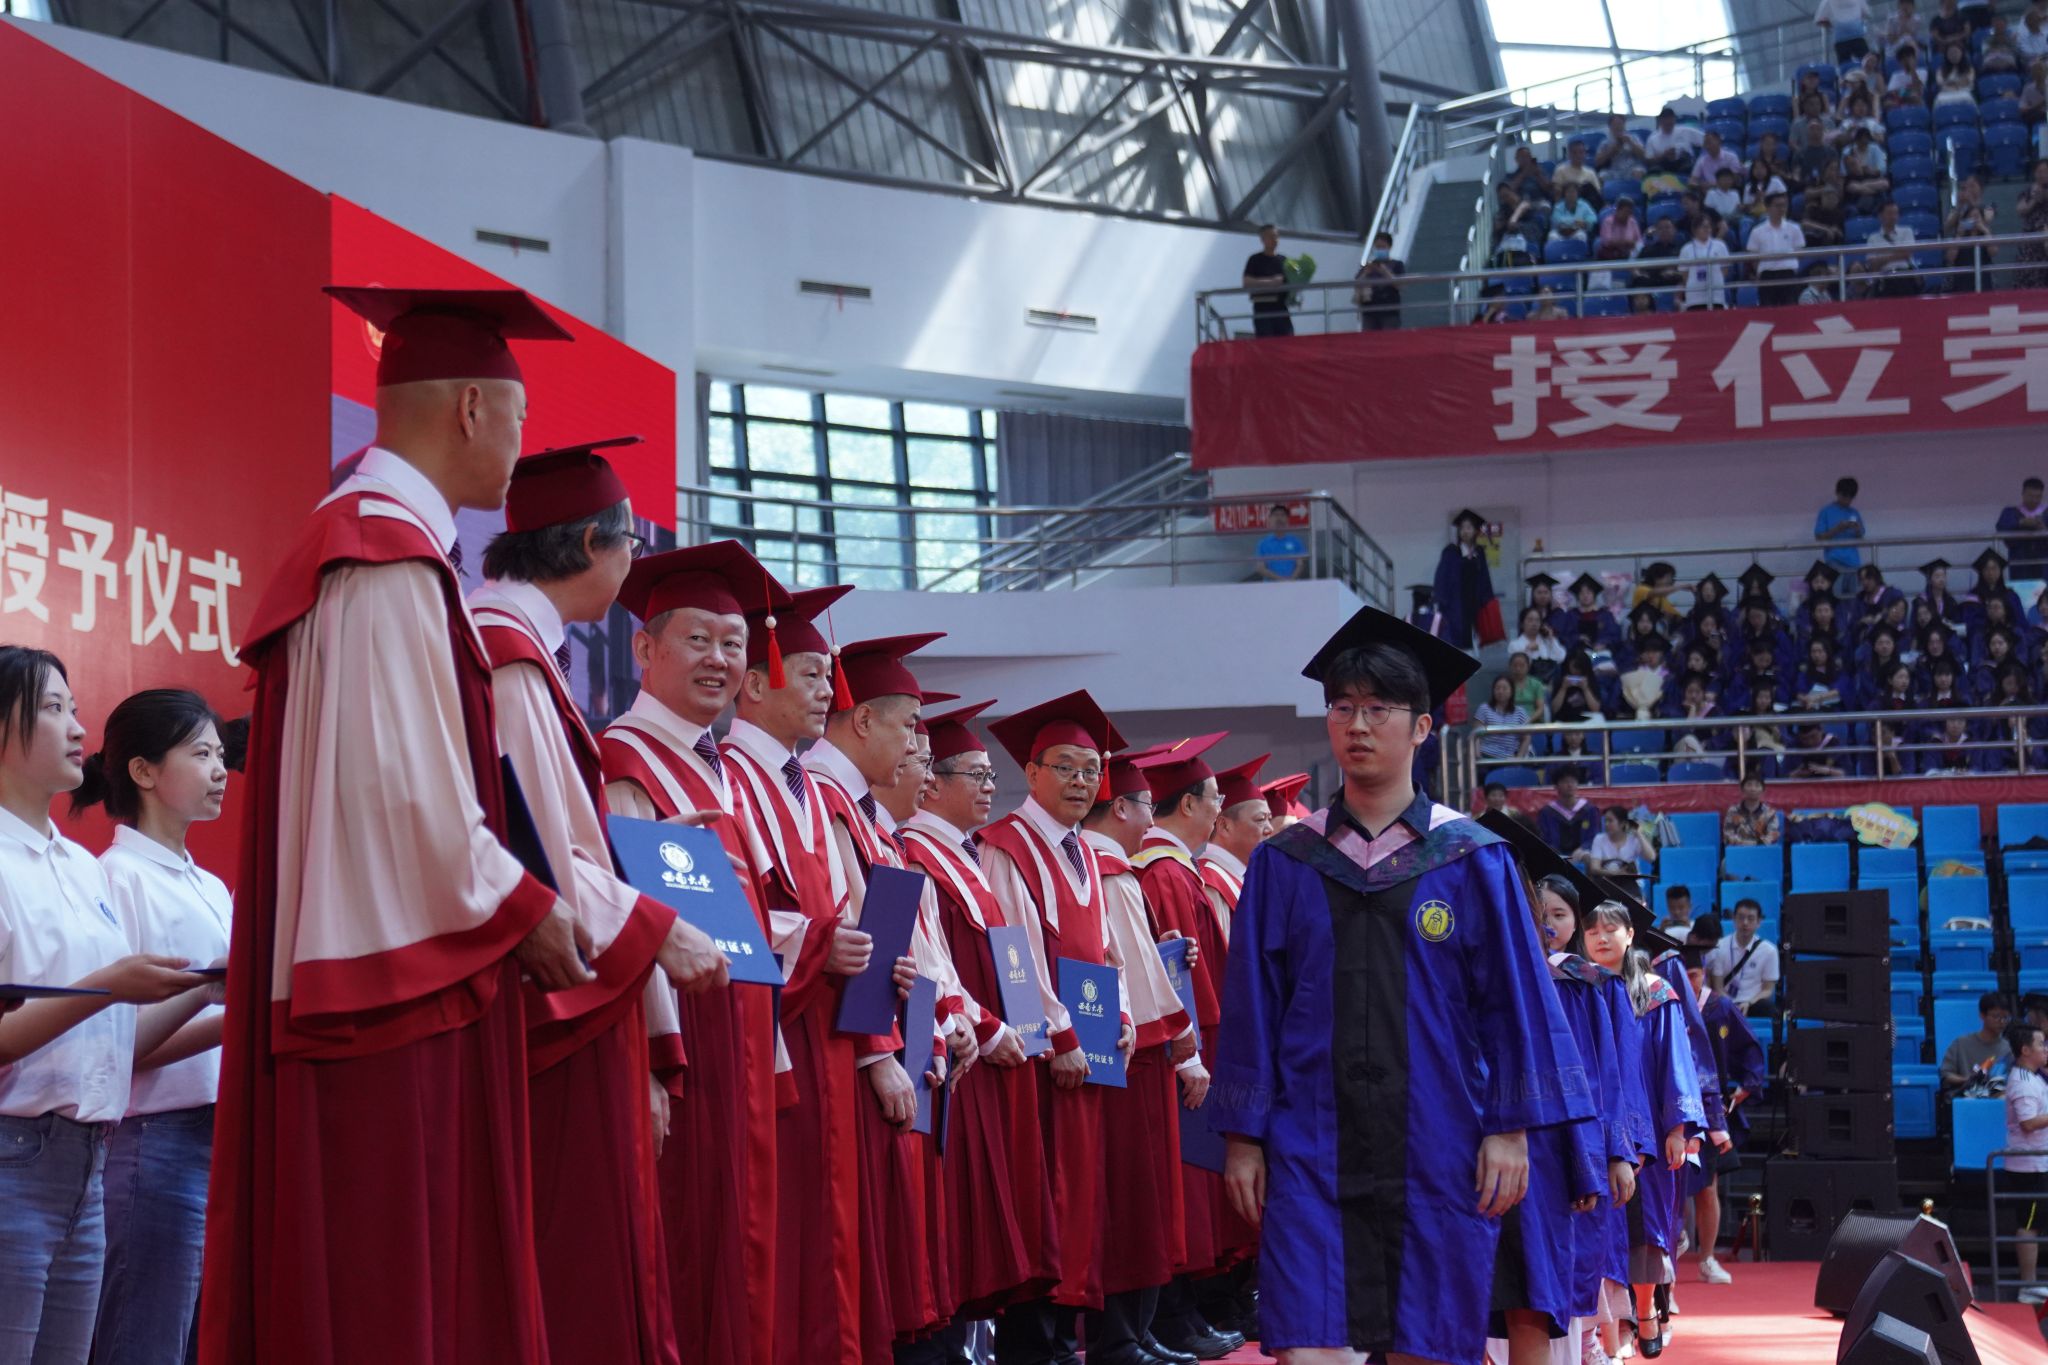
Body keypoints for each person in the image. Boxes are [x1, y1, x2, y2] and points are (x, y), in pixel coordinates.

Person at [203, 287, 592, 1365]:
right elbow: (403, 787)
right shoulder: (382, 554)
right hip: (383, 989)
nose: (519, 447)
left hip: (383, 967)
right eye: (518, 418)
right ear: (471, 408)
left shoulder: (382, 547)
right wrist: (527, 909)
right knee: (390, 1294)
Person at [1210, 605, 1591, 1365]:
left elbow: (1514, 1004)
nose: (1357, 724)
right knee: (1307, 1342)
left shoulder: (1470, 858)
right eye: (1342, 707)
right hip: (1310, 1142)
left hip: (1438, 1140)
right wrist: (1244, 1139)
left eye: (1378, 708)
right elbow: (1253, 1007)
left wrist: (1510, 1128)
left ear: (1421, 727)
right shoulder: (1286, 862)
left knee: (1430, 1341)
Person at [472, 447, 742, 1365]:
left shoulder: (528, 657)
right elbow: (536, 856)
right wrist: (657, 925)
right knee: (574, 1266)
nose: (633, 559)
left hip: (583, 993)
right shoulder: (510, 661)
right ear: (594, 543)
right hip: (552, 1009)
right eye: (630, 541)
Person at [597, 542, 784, 1365]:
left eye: (733, 643)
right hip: (682, 1045)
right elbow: (623, 919)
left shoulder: (716, 766)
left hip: (737, 1041)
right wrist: (654, 1059)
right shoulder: (623, 760)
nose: (720, 659)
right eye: (698, 638)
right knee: (680, 1255)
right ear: (645, 646)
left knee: (736, 1258)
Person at [0, 652, 216, 1365]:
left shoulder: (81, 867)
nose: (76, 728)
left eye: (74, 709)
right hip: (15, 1155)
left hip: (89, 1165)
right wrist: (107, 987)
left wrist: (207, 991)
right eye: (52, 708)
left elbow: (122, 1043)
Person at [716, 583, 870, 1365]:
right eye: (810, 674)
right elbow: (727, 902)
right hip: (772, 1028)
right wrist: (816, 943)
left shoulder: (805, 783)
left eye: (827, 676)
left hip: (828, 1026)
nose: (828, 692)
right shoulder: (727, 774)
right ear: (754, 681)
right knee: (779, 1222)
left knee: (828, 1218)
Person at [799, 633, 957, 1364]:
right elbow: (850, 932)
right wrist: (880, 1052)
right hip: (847, 1039)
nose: (915, 746)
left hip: (893, 1035)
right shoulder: (823, 796)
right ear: (862, 720)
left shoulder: (861, 810)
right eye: (908, 727)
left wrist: (935, 1025)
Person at [74, 691, 237, 1365]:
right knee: (144, 1344)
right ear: (143, 771)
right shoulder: (116, 879)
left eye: (221, 754)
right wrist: (230, 1008)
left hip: (220, 1136)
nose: (220, 770)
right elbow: (122, 1047)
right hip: (155, 1140)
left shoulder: (213, 886)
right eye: (200, 753)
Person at [980, 692, 1138, 1365]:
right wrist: (1060, 1037)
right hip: (1043, 1057)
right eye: (1066, 767)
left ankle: (1062, 1340)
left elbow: (1104, 950)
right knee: (1042, 1197)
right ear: (1032, 771)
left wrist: (1122, 1014)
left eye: (1091, 770)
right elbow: (1012, 953)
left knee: (1077, 1197)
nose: (1081, 781)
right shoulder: (1007, 846)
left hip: (1088, 1051)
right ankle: (1032, 1345)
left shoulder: (1083, 850)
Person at [899, 701, 1057, 1325]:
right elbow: (937, 962)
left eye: (992, 775)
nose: (991, 786)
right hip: (959, 1046)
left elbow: (1011, 953)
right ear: (933, 783)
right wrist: (988, 1028)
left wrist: (1029, 1027)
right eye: (977, 775)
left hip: (998, 1044)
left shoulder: (966, 854)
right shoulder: (917, 853)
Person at [1081, 746, 1205, 1365]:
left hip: (1131, 1045)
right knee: (1132, 1195)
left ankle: (1138, 1330)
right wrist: (1185, 1040)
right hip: (1131, 1051)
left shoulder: (1109, 867)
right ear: (1122, 808)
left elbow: (1136, 959)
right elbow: (1125, 968)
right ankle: (1122, 1336)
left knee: (1143, 1197)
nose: (1152, 821)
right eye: (1146, 807)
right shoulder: (1107, 869)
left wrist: (1167, 953)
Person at [1132, 736, 1249, 1358]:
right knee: (1182, 1190)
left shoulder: (1176, 870)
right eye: (1214, 798)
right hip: (1185, 1049)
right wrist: (1192, 1050)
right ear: (1188, 805)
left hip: (1198, 1043)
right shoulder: (1166, 872)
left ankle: (1191, 1312)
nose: (1219, 808)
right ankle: (1177, 1316)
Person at [1581, 901, 1700, 1360]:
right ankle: (1611, 1326)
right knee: (1601, 1226)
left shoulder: (1654, 993)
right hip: (1594, 1128)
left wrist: (1677, 1129)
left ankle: (1646, 1308)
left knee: (1643, 1227)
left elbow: (1675, 1061)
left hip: (1645, 1128)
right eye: (1593, 930)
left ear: (1630, 935)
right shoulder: (1576, 986)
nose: (1601, 937)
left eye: (1611, 929)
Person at [1683, 947, 1764, 1287]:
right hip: (1671, 1106)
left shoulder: (1720, 1007)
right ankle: (1668, 1256)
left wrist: (1747, 1085)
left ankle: (1707, 1258)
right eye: (1682, 976)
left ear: (1703, 974)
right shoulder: (1662, 1004)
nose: (1688, 982)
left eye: (1693, 975)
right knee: (1670, 1188)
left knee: (1707, 1186)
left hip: (1709, 1110)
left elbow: (1749, 1047)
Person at [2003, 1021, 2048, 1299]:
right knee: (2029, 1225)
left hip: (2038, 1163)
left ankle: (2030, 1284)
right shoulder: (2022, 1082)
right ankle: (2027, 1287)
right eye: (2041, 1044)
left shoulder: (2034, 1076)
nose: (2046, 1049)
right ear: (2025, 1050)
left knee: (2035, 1223)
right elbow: (2028, 1123)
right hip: (2029, 1167)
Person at [1432, 508, 1503, 651]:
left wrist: (1487, 601)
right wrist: (1442, 601)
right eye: (1462, 528)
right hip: (1455, 603)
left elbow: (1485, 579)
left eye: (1469, 527)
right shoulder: (1450, 552)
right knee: (1454, 638)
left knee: (1473, 638)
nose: (1465, 531)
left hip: (1473, 603)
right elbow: (1441, 578)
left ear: (1475, 531)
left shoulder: (1479, 552)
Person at [1704, 899, 1780, 1017]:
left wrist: (1749, 1002)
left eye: (1750, 918)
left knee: (1769, 1008)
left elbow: (1767, 990)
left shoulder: (1769, 951)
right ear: (1734, 919)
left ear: (1758, 922)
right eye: (1741, 918)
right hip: (1726, 1002)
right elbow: (1718, 988)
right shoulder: (1720, 947)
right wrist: (1731, 1005)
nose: (1745, 923)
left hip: (1753, 1003)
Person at [1940, 992, 2014, 1095]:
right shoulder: (1961, 1044)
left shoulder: (2008, 1049)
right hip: (1966, 1096)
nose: (2001, 1022)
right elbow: (1946, 1074)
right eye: (1996, 1017)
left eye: (2005, 1018)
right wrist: (1967, 1080)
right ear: (1982, 1016)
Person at [1749, 193, 1807, 305]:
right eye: (1777, 205)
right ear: (1768, 208)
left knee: (1790, 310)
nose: (1781, 209)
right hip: (1767, 275)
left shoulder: (1794, 228)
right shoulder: (1757, 231)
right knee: (1768, 311)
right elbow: (1753, 257)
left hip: (1788, 274)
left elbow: (1800, 253)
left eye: (1784, 205)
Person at [1242, 224, 1293, 338]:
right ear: (1262, 239)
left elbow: (1292, 280)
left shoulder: (1284, 260)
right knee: (1266, 342)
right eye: (1270, 236)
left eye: (1276, 236)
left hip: (1281, 308)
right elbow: (1247, 282)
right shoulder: (1255, 259)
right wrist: (1271, 282)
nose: (1275, 239)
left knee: (1287, 341)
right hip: (1262, 308)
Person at [1540, 767, 1601, 863]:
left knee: (1589, 859)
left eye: (1573, 781)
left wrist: (1582, 848)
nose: (1570, 785)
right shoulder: (1547, 812)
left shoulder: (1589, 810)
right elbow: (1545, 839)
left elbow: (1594, 836)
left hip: (1582, 852)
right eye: (1565, 781)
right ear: (1556, 786)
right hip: (1556, 855)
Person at [1862, 201, 1920, 297]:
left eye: (1895, 213)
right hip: (1885, 277)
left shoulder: (1907, 231)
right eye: (1889, 213)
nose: (1893, 217)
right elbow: (1872, 263)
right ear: (1880, 216)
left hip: (1904, 276)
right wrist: (1898, 254)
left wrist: (1883, 257)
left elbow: (1907, 253)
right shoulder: (1873, 238)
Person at [1475, 675, 1533, 762]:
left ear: (1511, 691)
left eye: (1504, 688)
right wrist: (1478, 757)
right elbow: (1476, 735)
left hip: (1508, 759)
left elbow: (1526, 738)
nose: (1500, 691)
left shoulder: (1520, 712)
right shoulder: (1484, 708)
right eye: (1497, 688)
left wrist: (1519, 758)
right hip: (1486, 756)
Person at [1999, 477, 2048, 580]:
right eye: (2030, 496)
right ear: (2023, 494)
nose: (2034, 500)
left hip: (2044, 564)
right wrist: (2021, 522)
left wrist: (2044, 530)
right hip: (2020, 564)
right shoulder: (2011, 512)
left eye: (2038, 497)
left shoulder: (2046, 513)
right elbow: (2002, 527)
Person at [1677, 213, 1730, 310]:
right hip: (1694, 296)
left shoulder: (1720, 245)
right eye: (1703, 227)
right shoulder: (1686, 249)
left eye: (1708, 226)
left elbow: (1725, 269)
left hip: (1716, 295)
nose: (1707, 229)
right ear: (1695, 230)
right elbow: (1684, 274)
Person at [1354, 232, 1404, 331]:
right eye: (1377, 247)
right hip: (1369, 311)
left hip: (1389, 312)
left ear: (1389, 247)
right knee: (1370, 339)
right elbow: (1356, 284)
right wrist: (1366, 273)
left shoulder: (1397, 265)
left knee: (1389, 338)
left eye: (1383, 247)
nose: (1380, 250)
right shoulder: (1368, 266)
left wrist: (1385, 272)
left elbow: (1400, 285)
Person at [1815, 476, 1866, 573]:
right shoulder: (1826, 511)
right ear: (1837, 493)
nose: (1847, 500)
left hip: (1853, 561)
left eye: (1850, 497)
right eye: (1844, 496)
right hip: (1834, 560)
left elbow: (1861, 536)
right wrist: (1837, 529)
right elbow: (1819, 537)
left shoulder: (1854, 512)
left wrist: (1857, 529)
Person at [1589, 807, 1648, 876]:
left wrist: (1639, 834)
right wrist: (1616, 874)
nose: (1606, 824)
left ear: (1622, 823)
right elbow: (1594, 868)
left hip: (1630, 880)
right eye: (1605, 821)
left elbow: (1651, 857)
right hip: (1607, 880)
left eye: (1610, 821)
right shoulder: (1599, 839)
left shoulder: (1633, 840)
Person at [1255, 502, 1306, 581]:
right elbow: (1260, 568)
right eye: (1276, 515)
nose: (1279, 518)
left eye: (1282, 515)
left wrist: (1290, 581)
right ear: (1270, 519)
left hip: (1293, 585)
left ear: (1287, 520)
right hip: (1271, 586)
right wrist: (1280, 580)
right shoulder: (1263, 543)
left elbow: (1300, 565)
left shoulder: (1296, 542)